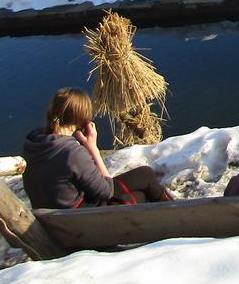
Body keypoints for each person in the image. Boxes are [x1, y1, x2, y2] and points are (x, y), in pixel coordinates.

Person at [22, 87, 174, 208]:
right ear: (81, 119)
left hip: (56, 216)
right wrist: (92, 148)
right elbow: (106, 192)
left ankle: (169, 206)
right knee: (143, 187)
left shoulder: (34, 143)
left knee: (144, 176)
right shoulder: (71, 153)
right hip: (81, 218)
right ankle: (174, 211)